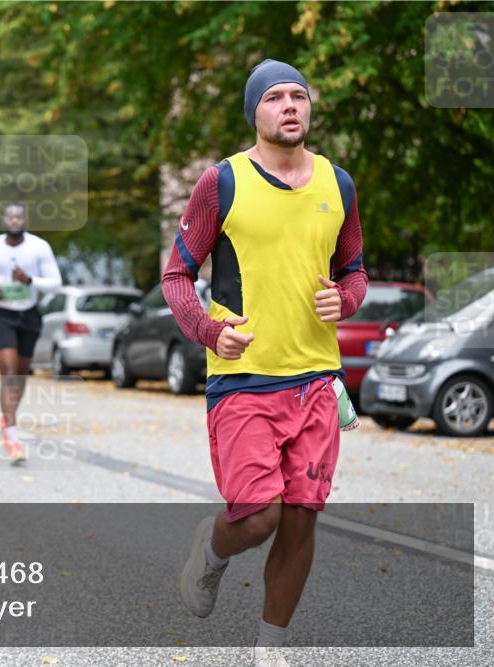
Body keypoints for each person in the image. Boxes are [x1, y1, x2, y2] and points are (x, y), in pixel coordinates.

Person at [161, 60, 368, 667]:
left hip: (315, 381)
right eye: (274, 98)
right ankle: (214, 550)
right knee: (257, 516)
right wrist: (206, 329)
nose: (289, 106)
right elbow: (177, 274)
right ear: (255, 112)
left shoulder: (340, 184)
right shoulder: (221, 182)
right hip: (244, 379)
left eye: (298, 96)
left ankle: (269, 648)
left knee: (300, 520)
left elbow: (353, 271)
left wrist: (347, 298)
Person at [0, 203, 62, 464]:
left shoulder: (39, 247)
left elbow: (56, 283)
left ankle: (7, 415)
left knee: (20, 376)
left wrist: (30, 280)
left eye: (19, 216)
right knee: (8, 373)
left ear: (26, 220)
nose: (15, 220)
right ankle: (12, 434)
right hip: (1, 314)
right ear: (4, 219)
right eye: (10, 216)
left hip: (29, 315)